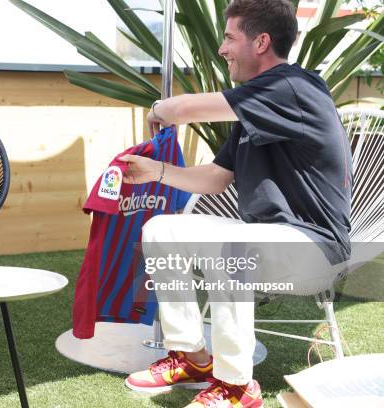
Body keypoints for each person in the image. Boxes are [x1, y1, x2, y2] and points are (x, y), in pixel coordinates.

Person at [121, 0, 352, 406]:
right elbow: (215, 178)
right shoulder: (255, 109)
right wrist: (155, 171)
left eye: (230, 38)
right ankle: (192, 358)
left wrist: (160, 108)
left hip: (315, 246)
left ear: (261, 41)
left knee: (231, 248)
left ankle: (236, 386)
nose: (222, 49)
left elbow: (184, 109)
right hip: (265, 238)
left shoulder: (295, 87)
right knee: (162, 229)